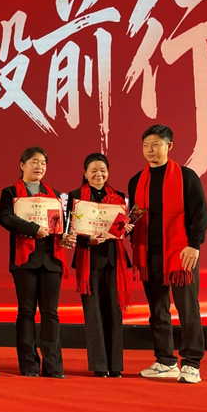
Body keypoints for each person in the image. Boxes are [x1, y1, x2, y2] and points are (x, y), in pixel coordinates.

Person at [129, 125, 207, 384]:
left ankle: (192, 363)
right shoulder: (136, 181)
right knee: (157, 310)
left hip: (181, 253)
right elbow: (135, 216)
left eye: (155, 144)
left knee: (188, 309)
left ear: (169, 146)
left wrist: (194, 245)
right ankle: (165, 360)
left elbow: (200, 214)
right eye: (145, 145)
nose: (149, 150)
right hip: (149, 253)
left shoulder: (186, 177)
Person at [0, 147, 73, 378]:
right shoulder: (11, 192)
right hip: (25, 260)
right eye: (34, 162)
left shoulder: (54, 194)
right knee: (26, 312)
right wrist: (34, 229)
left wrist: (66, 237)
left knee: (51, 313)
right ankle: (29, 365)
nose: (39, 166)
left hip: (51, 259)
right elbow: (6, 218)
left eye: (43, 163)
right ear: (22, 165)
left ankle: (53, 366)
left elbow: (59, 225)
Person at [67, 153, 133, 378]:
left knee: (114, 312)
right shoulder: (75, 197)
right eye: (93, 171)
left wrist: (125, 229)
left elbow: (119, 230)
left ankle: (115, 365)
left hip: (114, 259)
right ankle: (99, 365)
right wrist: (89, 241)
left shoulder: (119, 196)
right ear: (85, 173)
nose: (99, 175)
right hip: (89, 260)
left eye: (103, 170)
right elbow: (70, 229)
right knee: (93, 313)